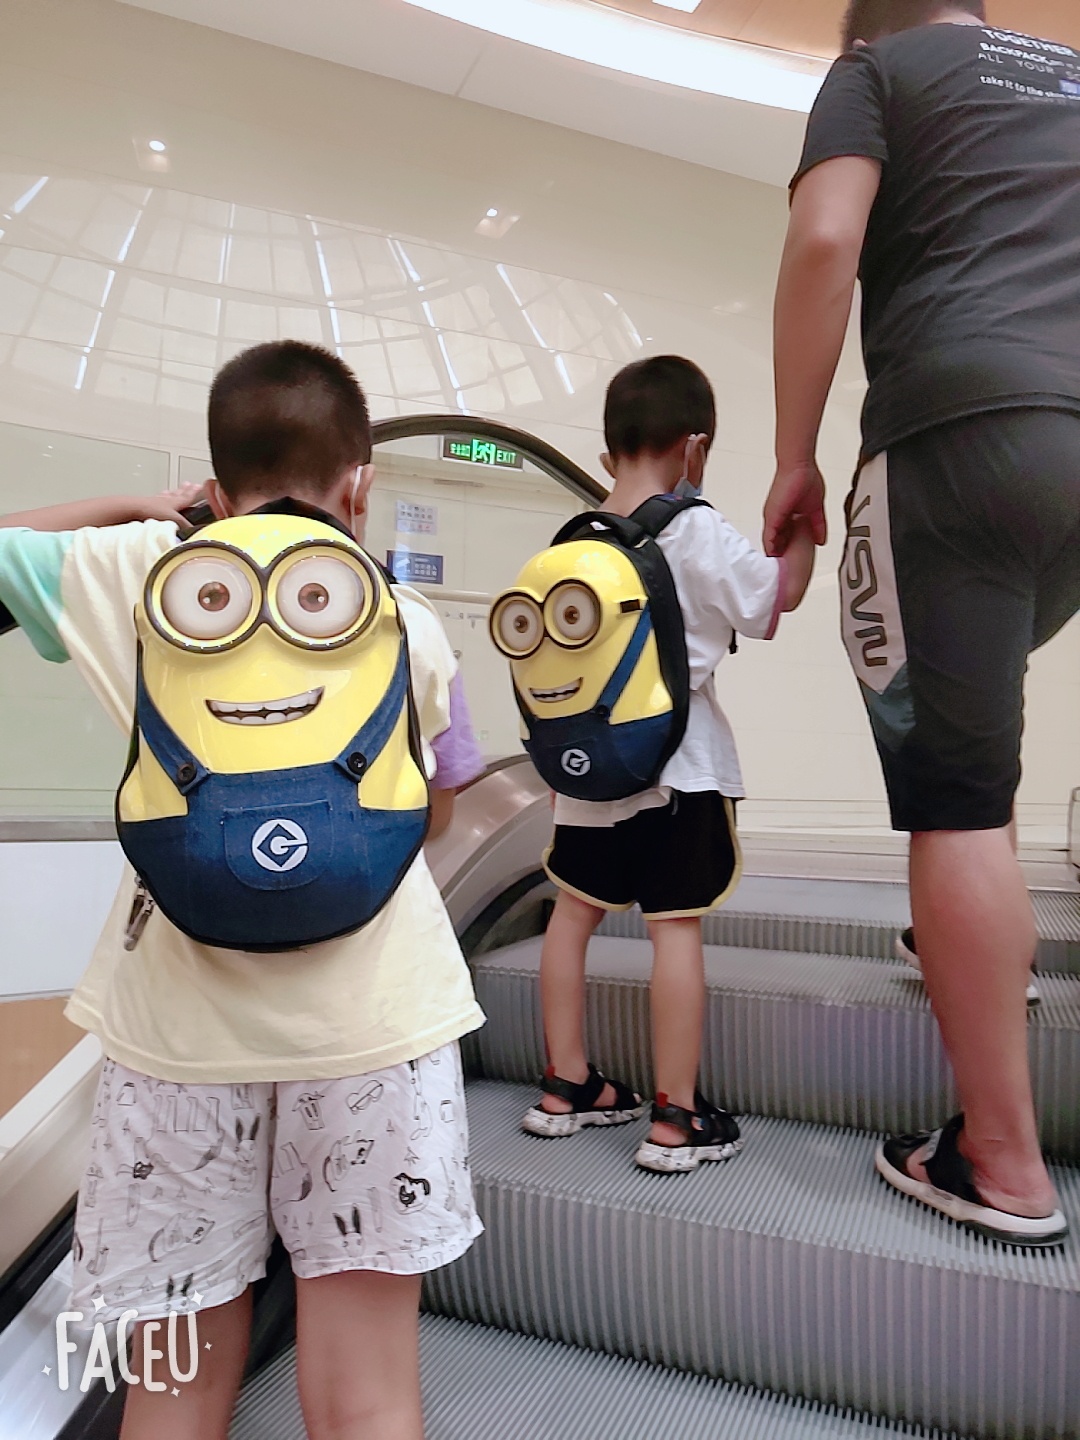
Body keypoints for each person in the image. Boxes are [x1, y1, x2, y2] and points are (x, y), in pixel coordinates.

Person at [0, 341, 487, 1439]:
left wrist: (135, 509)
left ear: (216, 490)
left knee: (170, 1395)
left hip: (174, 1046)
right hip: (376, 1035)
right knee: (368, 1399)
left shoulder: (133, 577)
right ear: (360, 485)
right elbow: (436, 810)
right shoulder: (408, 619)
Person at [765, 0, 1079, 1244]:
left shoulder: (877, 70)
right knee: (976, 725)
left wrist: (793, 456)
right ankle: (965, 942)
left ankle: (1000, 1159)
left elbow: (823, 240)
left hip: (959, 423)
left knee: (957, 796)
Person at [522, 356, 815, 1172]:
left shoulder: (572, 543)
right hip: (680, 771)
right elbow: (776, 598)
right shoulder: (695, 528)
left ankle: (565, 1086)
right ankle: (676, 1118)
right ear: (695, 447)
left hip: (585, 774)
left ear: (609, 449)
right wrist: (799, 529)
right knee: (673, 929)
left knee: (572, 915)